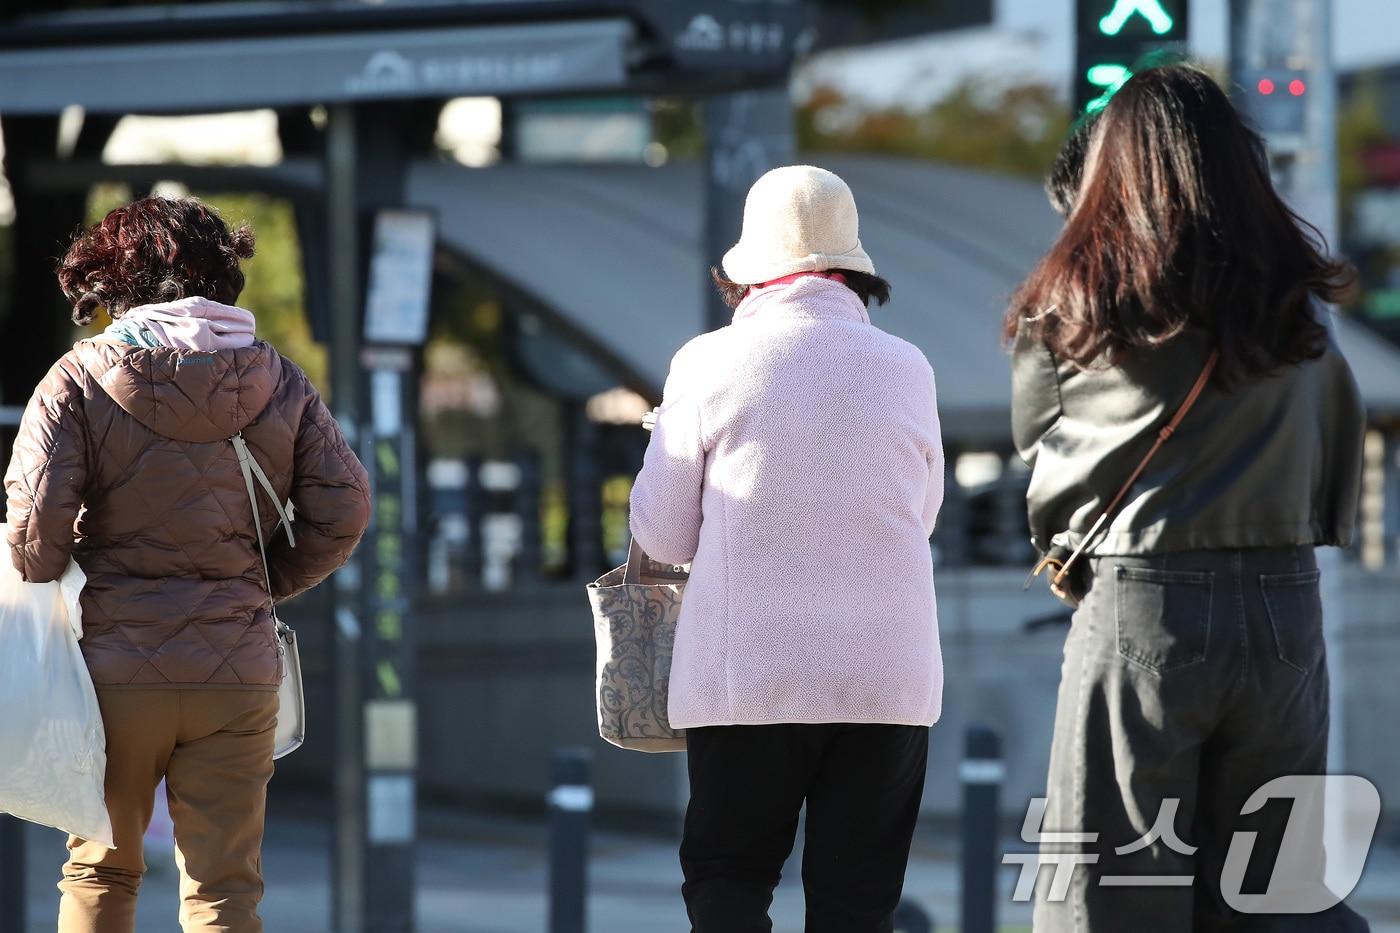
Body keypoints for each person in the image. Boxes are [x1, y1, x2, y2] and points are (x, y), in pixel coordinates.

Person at [1007, 65, 1369, 931]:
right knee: (1275, 884)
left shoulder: (1079, 305)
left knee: (1117, 886)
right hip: (1284, 604)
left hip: (1144, 602)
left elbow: (1040, 451)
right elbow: (1337, 443)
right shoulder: (1297, 310)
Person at [4, 196, 371, 933]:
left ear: (116, 278)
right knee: (226, 890)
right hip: (237, 665)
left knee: (100, 867)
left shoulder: (76, 379)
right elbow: (347, 509)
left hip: (110, 671)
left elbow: (34, 536)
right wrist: (262, 582)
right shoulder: (283, 381)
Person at [629, 164, 945, 933]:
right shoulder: (908, 367)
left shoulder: (707, 364)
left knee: (729, 877)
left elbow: (664, 534)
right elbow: (922, 513)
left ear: (747, 277)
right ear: (853, 273)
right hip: (886, 679)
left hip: (750, 679)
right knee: (859, 901)